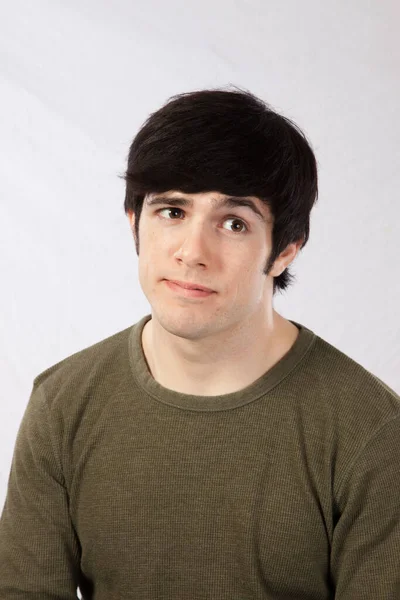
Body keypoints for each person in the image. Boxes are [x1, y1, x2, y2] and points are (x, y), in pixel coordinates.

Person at [0, 87, 399, 599]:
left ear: (284, 252)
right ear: (134, 225)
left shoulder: (373, 433)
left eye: (234, 223)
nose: (192, 252)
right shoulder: (62, 404)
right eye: (171, 211)